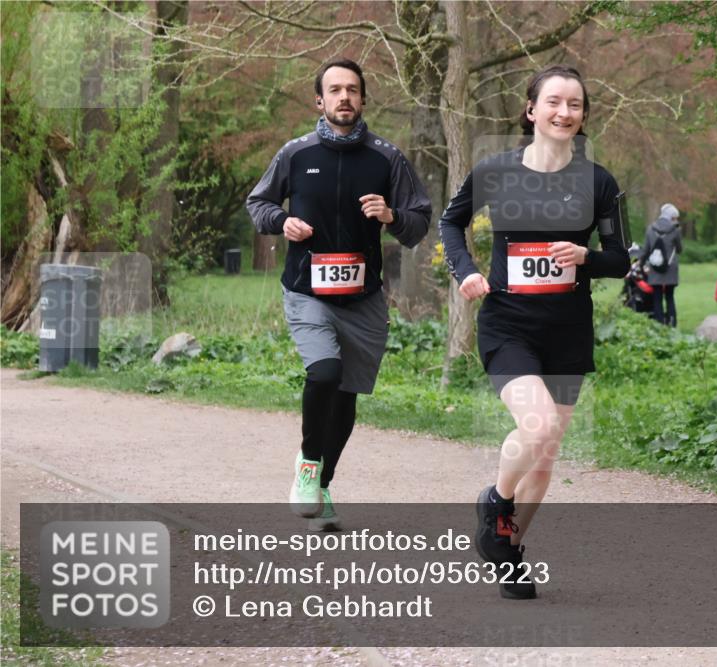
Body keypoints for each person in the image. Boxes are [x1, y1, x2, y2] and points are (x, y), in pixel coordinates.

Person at [439, 65, 629, 600]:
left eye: (574, 104)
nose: (564, 112)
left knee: (544, 457)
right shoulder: (497, 170)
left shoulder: (599, 182)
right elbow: (451, 224)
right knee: (539, 426)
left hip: (567, 328)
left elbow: (619, 259)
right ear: (532, 110)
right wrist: (466, 270)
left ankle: (508, 550)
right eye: (553, 102)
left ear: (583, 115)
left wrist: (586, 256)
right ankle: (495, 501)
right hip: (509, 323)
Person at [246, 58, 431, 530]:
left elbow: (420, 219)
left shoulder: (387, 158)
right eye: (335, 90)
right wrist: (279, 221)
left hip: (364, 297)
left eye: (352, 89)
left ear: (363, 99)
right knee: (325, 372)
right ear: (320, 100)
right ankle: (308, 464)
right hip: (308, 290)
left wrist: (392, 216)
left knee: (347, 395)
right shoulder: (295, 154)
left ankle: (322, 484)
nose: (344, 97)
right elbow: (258, 203)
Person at [639, 203, 683, 326]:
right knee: (670, 296)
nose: (675, 220)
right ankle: (672, 324)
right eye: (674, 218)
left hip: (655, 266)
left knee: (657, 297)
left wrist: (641, 264)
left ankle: (659, 325)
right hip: (670, 267)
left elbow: (646, 250)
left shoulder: (650, 229)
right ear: (671, 217)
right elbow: (679, 249)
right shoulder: (675, 230)